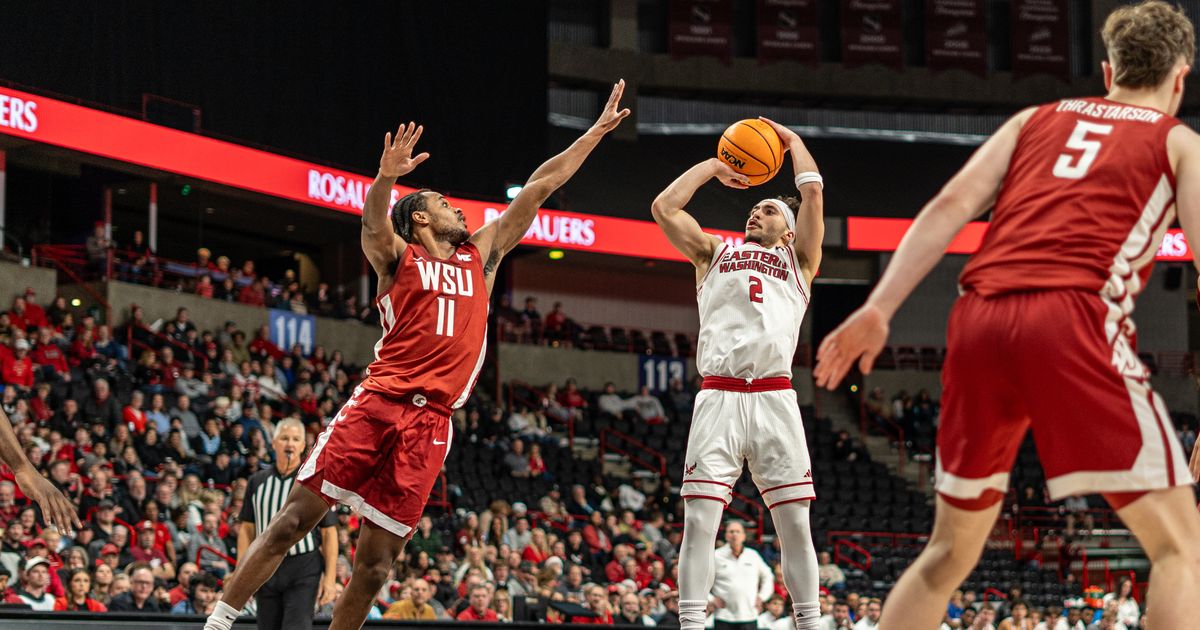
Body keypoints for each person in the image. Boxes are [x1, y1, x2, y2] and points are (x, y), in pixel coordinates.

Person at [813, 3, 1200, 629]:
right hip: (1074, 319)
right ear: (1180, 79)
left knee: (947, 554)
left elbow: (949, 203)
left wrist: (878, 307)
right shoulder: (1179, 141)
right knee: (1182, 548)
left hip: (980, 319)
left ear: (1108, 71)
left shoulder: (1033, 119)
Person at [204, 82, 628, 630]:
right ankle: (216, 623)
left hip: (431, 421)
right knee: (292, 523)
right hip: (379, 402)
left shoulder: (484, 255)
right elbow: (372, 223)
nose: (457, 209)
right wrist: (385, 179)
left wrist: (593, 133)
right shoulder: (396, 259)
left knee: (376, 567)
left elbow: (541, 185)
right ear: (422, 219)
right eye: (445, 205)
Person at [652, 115, 824, 630]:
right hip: (719, 395)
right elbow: (664, 208)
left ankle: (811, 622)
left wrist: (791, 143)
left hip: (775, 397)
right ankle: (691, 623)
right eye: (754, 206)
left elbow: (812, 195)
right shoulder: (714, 252)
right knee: (700, 521)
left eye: (768, 208)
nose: (756, 210)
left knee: (795, 525)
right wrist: (713, 165)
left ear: (787, 231)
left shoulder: (801, 262)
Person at [238, 419, 339, 630]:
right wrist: (241, 569)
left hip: (303, 566)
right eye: (284, 438)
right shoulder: (257, 482)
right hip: (263, 564)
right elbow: (247, 529)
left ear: (304, 446)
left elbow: (329, 533)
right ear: (273, 443)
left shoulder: (314, 483)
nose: (290, 444)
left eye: (295, 439)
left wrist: (330, 579)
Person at [709, 522, 774, 630]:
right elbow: (700, 581)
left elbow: (768, 576)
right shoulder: (716, 556)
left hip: (749, 615)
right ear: (726, 535)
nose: (735, 534)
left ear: (744, 536)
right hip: (723, 616)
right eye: (731, 531)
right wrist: (711, 599)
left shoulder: (753, 555)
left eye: (738, 531)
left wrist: (762, 596)